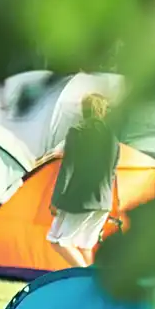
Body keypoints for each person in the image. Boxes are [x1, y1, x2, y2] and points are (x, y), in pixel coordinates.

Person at [48, 93, 118, 266]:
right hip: (104, 201)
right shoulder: (112, 137)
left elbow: (68, 168)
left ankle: (87, 279)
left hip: (81, 200)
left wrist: (56, 199)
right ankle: (95, 285)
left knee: (58, 241)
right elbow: (113, 171)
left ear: (84, 110)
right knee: (85, 246)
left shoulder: (77, 132)